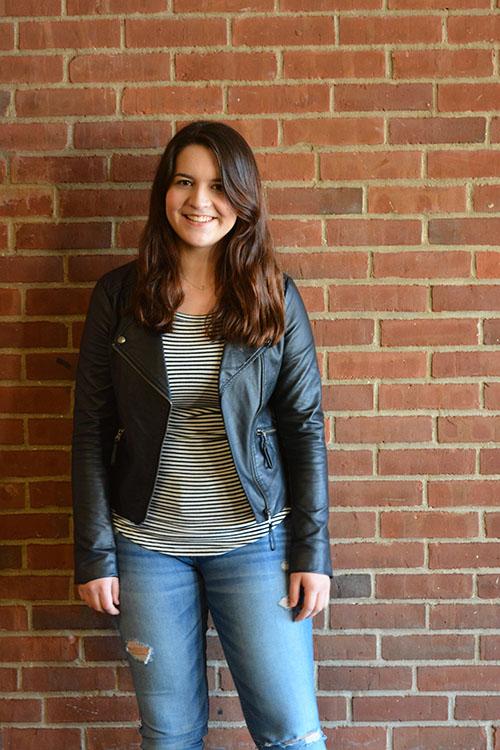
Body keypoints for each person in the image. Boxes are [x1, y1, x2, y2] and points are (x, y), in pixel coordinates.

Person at [71, 120, 332, 750]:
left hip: (255, 545)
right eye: (185, 181)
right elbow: (90, 431)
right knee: (169, 737)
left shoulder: (273, 296)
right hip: (146, 550)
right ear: (164, 191)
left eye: (218, 185)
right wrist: (96, 553)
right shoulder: (118, 296)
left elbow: (303, 428)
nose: (199, 200)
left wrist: (311, 554)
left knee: (292, 734)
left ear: (243, 199)